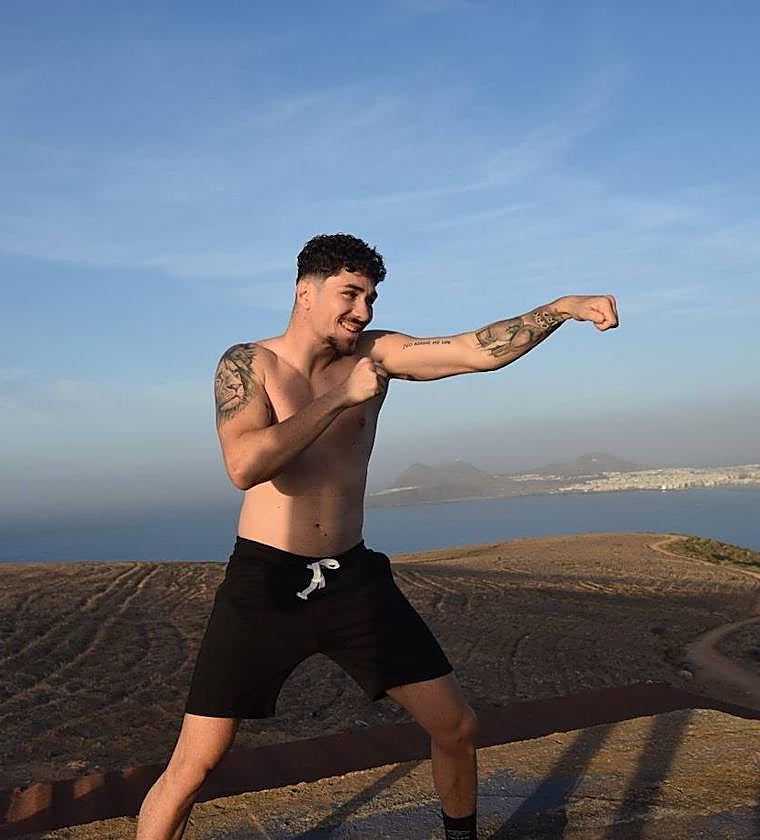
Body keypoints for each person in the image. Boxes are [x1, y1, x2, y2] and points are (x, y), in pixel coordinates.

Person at [136, 233, 619, 840]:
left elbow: (476, 351)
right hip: (266, 584)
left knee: (456, 726)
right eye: (350, 294)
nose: (362, 311)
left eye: (370, 297)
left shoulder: (376, 354)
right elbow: (244, 465)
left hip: (352, 579)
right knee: (196, 763)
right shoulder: (248, 364)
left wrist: (562, 308)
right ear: (304, 293)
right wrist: (340, 399)